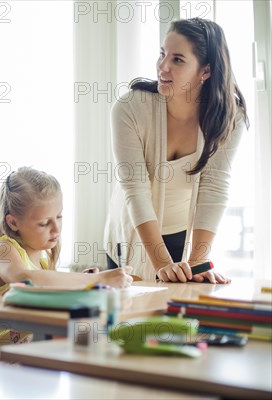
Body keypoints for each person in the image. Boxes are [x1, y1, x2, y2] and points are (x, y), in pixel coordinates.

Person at [104, 18, 248, 283]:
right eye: (162, 54)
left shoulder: (230, 118)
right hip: (131, 233)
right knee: (131, 317)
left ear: (205, 71)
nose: (163, 66)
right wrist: (160, 264)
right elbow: (134, 188)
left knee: (176, 315)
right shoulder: (129, 108)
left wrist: (197, 263)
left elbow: (214, 187)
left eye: (178, 60)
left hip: (180, 232)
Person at [0, 166, 132, 295]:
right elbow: (24, 279)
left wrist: (83, 281)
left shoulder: (41, 263)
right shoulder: (2, 249)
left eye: (59, 217)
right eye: (44, 223)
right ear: (13, 222)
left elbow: (42, 288)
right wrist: (99, 279)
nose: (56, 229)